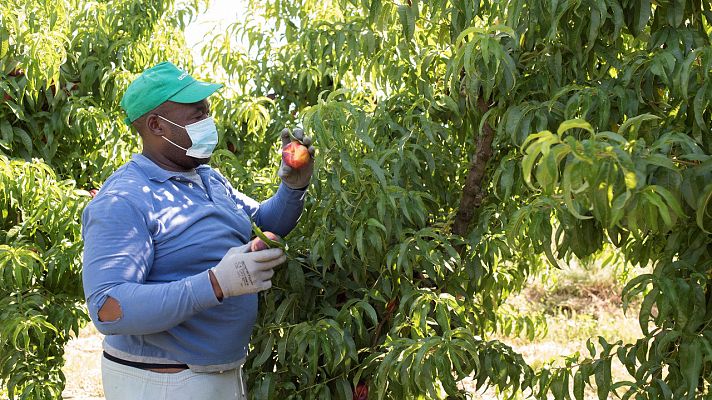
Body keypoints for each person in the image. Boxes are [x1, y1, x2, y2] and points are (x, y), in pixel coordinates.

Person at [81, 61, 314, 400]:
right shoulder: (125, 198)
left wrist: (293, 186)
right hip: (163, 382)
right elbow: (108, 308)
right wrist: (216, 284)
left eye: (207, 112)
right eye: (196, 116)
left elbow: (264, 226)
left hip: (220, 375)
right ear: (157, 125)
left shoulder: (208, 179)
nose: (209, 123)